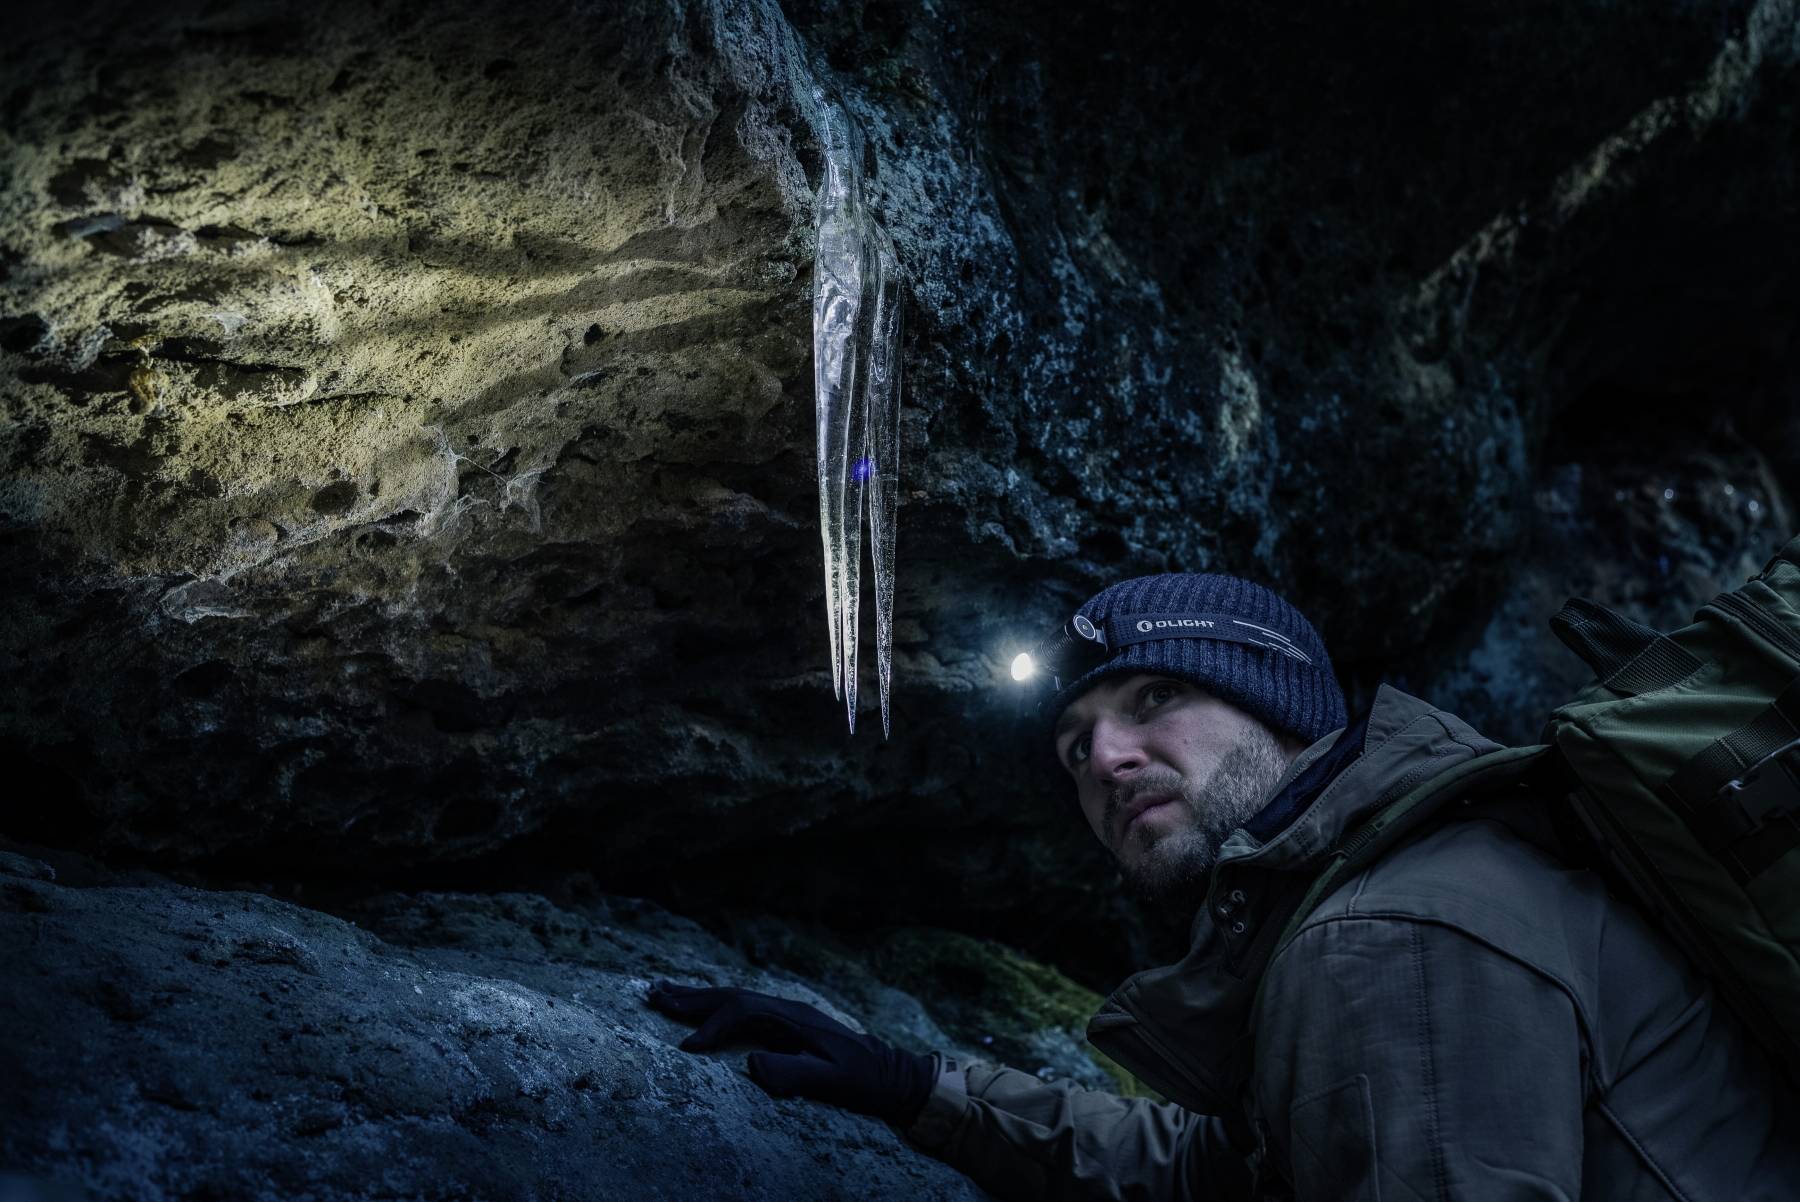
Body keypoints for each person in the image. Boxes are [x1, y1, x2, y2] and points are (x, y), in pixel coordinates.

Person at [649, 573, 1799, 1199]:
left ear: (1284, 710)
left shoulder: (1385, 931)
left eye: (1155, 699)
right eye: (1075, 748)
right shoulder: (1382, 892)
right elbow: (1215, 1167)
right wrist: (914, 1084)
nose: (1106, 759)